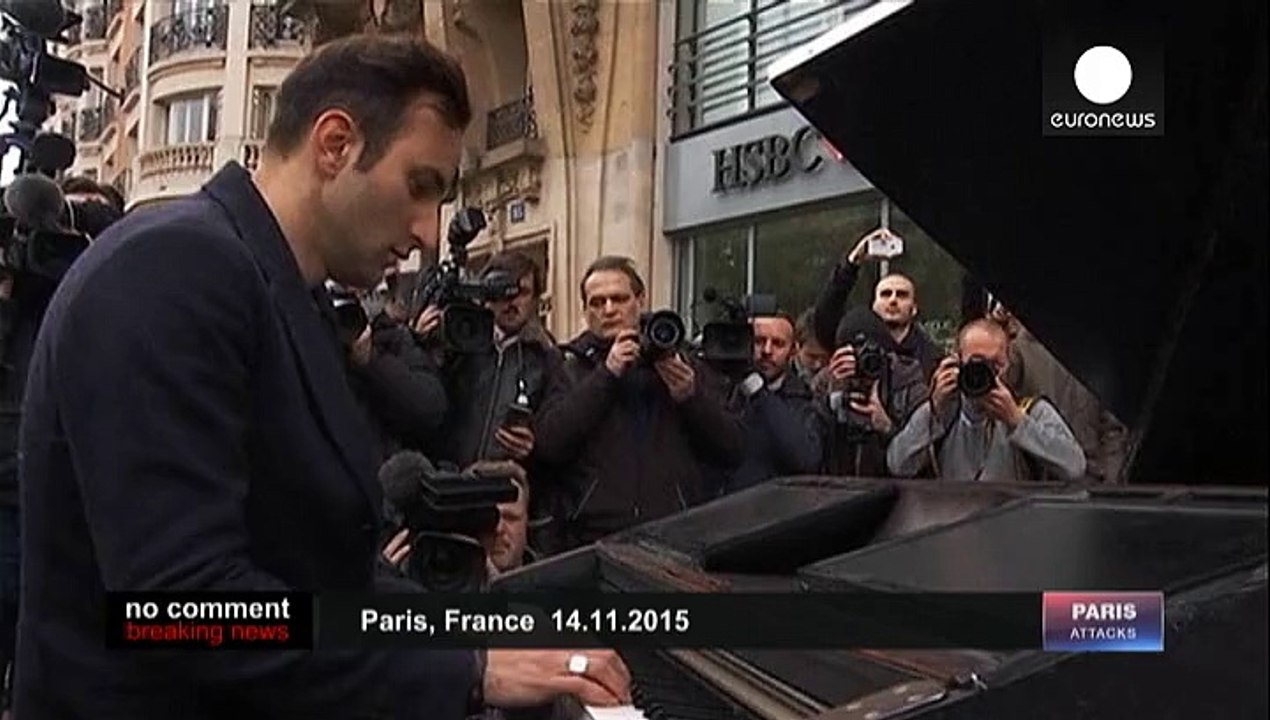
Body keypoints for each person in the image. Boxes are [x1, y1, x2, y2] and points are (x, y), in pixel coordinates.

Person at [16, 35, 627, 719]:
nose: (429, 233)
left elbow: (318, 570)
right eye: (420, 186)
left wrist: (474, 633)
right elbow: (183, 607)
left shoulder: (280, 290)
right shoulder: (175, 269)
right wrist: (466, 668)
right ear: (335, 144)